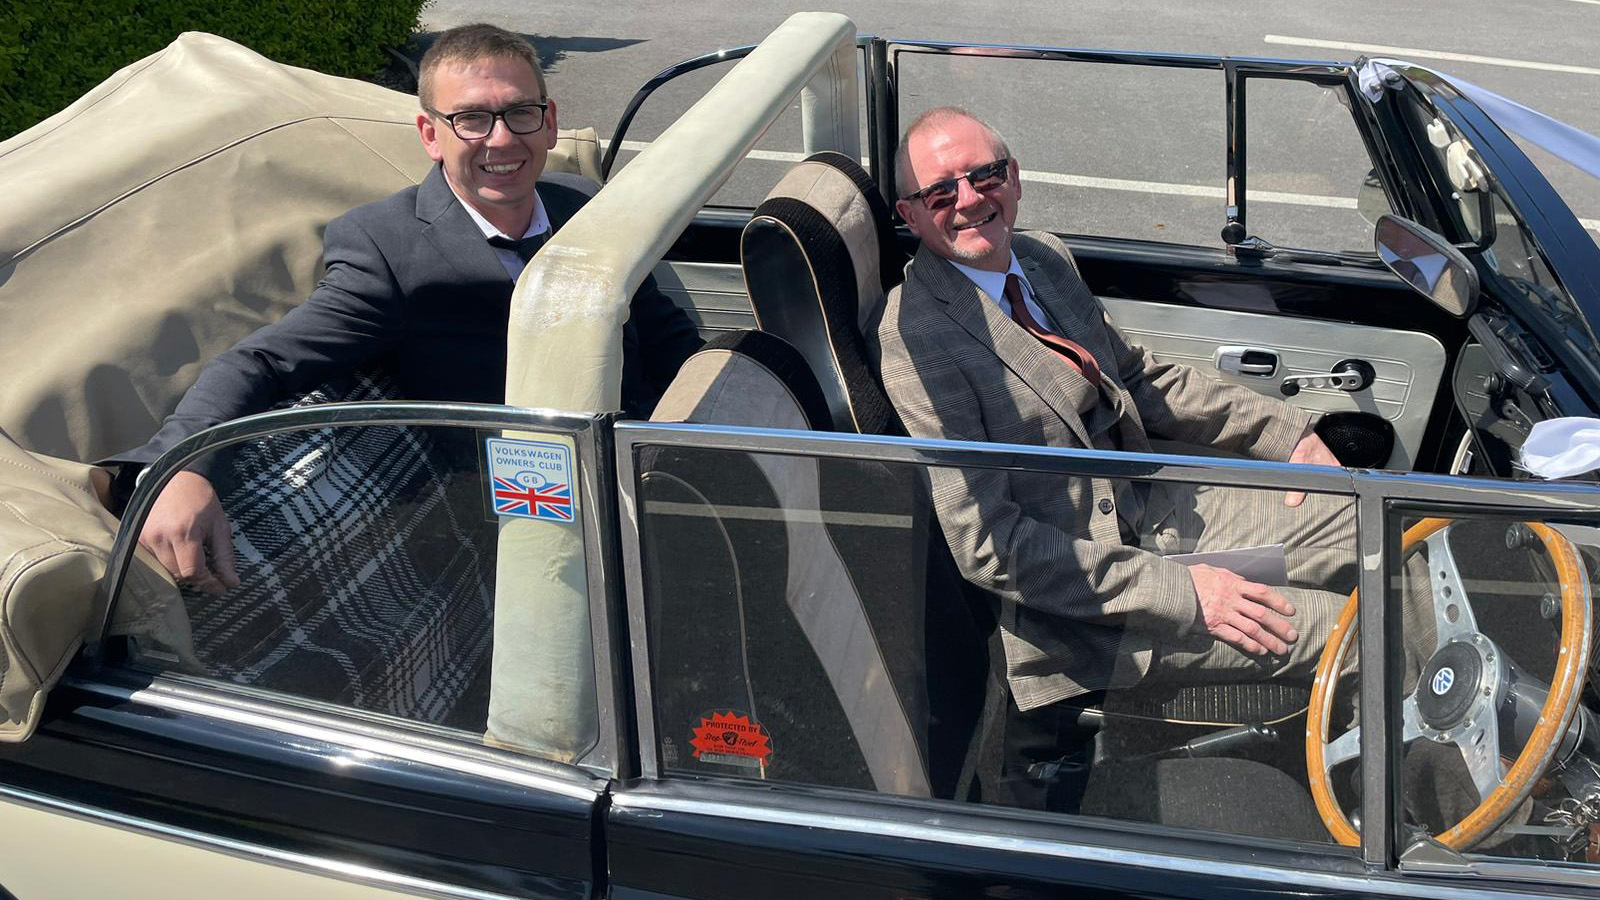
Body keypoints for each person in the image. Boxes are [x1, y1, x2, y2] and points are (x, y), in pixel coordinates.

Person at [876, 108, 1358, 792]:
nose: (970, 200)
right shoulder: (918, 340)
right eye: (942, 192)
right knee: (1359, 637)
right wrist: (1186, 592)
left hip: (1152, 512)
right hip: (1088, 610)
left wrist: (1288, 435)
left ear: (1013, 178)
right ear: (913, 215)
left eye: (984, 174)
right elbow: (991, 547)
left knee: (1372, 522)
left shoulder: (1040, 258)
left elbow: (1134, 376)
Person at [123, 24, 703, 592]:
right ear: (431, 135)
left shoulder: (586, 205)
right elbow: (263, 362)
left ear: (548, 123)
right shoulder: (387, 246)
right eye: (471, 119)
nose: (501, 139)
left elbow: (662, 332)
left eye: (520, 113)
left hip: (656, 462)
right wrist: (181, 468)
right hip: (519, 511)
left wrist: (706, 423)